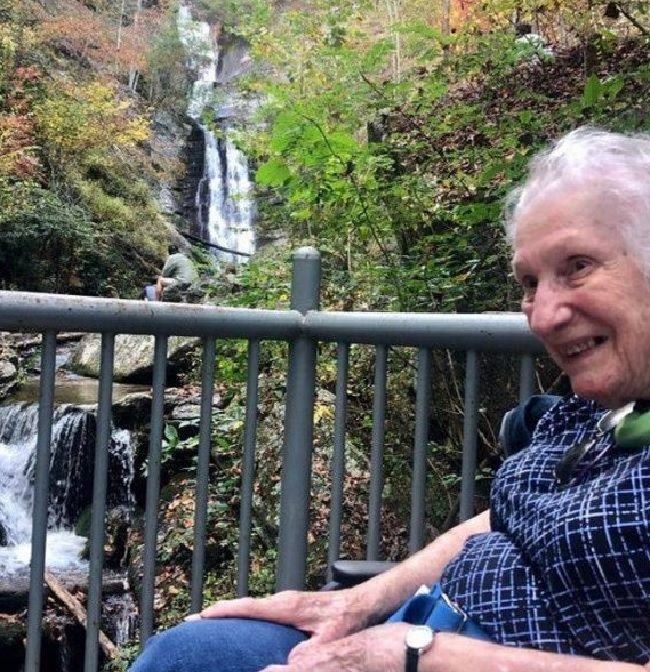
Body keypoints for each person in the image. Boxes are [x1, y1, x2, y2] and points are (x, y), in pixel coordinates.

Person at [130, 127, 650, 671]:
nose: (542, 316)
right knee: (186, 653)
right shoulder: (598, 406)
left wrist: (416, 654)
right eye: (528, 282)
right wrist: (356, 604)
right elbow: (502, 519)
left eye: (578, 266)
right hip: (418, 624)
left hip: (438, 654)